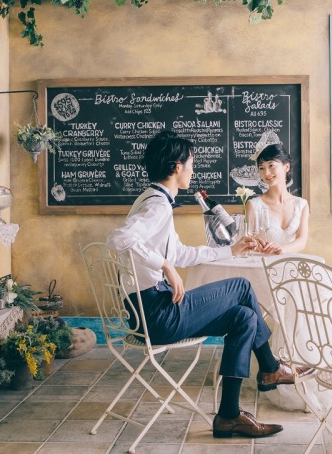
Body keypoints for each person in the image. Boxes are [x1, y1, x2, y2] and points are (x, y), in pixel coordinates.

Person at [106, 130, 309, 439]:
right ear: (177, 167)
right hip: (156, 314)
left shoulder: (154, 198)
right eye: (191, 164)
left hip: (145, 312)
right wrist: (164, 267)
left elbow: (182, 254)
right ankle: (269, 367)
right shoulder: (157, 206)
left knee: (245, 318)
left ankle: (229, 415)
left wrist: (232, 249)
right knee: (241, 287)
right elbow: (119, 239)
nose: (192, 170)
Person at [247, 132, 309, 255]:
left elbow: (302, 241)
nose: (267, 173)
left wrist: (281, 249)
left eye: (271, 165)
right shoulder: (254, 205)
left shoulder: (301, 205)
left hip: (290, 266)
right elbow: (247, 240)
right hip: (261, 265)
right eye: (261, 168)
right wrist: (255, 243)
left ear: (286, 167)